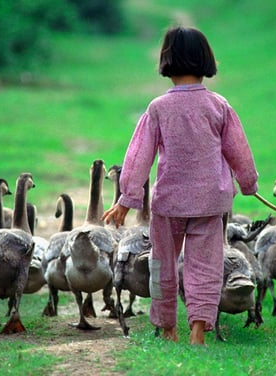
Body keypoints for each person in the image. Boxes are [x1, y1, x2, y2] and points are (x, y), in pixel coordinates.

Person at [102, 26, 259, 346]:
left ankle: (168, 328)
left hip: (169, 203)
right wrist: (248, 183)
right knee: (206, 267)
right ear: (206, 61)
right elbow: (239, 150)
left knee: (161, 265)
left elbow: (137, 157)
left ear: (167, 61)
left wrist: (126, 198)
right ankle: (199, 330)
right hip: (208, 202)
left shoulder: (158, 108)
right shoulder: (219, 106)